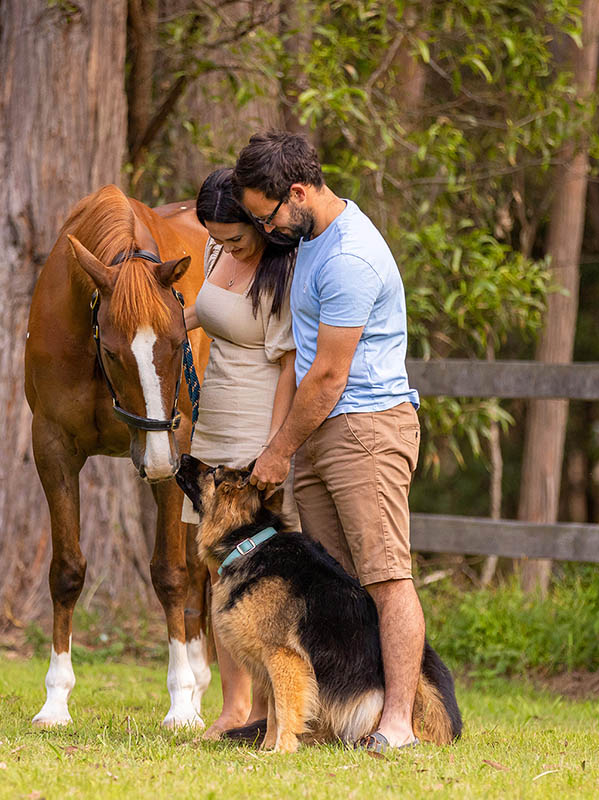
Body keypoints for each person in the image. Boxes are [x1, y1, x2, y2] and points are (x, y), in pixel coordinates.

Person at [234, 131, 426, 753]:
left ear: (297, 192)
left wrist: (278, 452)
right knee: (335, 585)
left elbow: (329, 375)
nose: (266, 231)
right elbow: (299, 358)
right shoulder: (310, 242)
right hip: (321, 432)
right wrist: (280, 442)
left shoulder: (350, 257)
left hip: (366, 429)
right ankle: (336, 716)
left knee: (385, 576)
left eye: (267, 217)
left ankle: (398, 722)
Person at [183, 167, 300, 740]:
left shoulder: (282, 268)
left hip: (258, 424)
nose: (225, 246)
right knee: (216, 571)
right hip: (213, 421)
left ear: (257, 220)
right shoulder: (214, 252)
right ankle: (232, 707)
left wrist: (273, 451)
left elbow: (287, 368)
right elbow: (206, 315)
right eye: (216, 238)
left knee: (259, 572)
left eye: (234, 237)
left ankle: (267, 711)